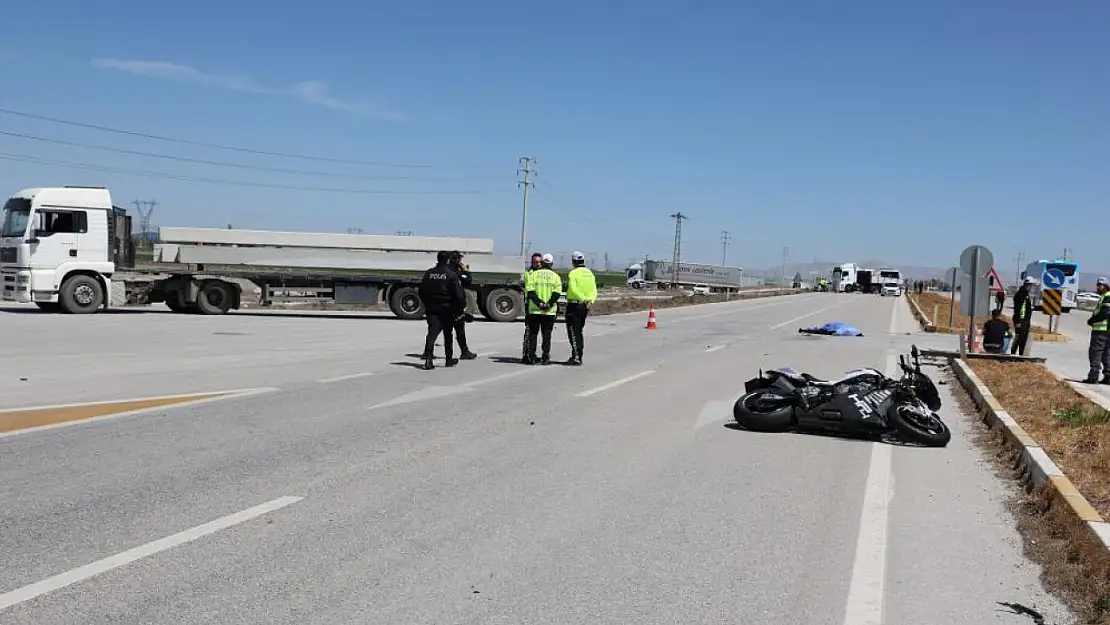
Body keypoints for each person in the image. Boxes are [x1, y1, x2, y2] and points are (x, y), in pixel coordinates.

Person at [417, 251, 466, 370]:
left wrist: (427, 304)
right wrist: (460, 309)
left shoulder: (429, 273)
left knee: (431, 334)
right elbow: (458, 295)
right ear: (448, 260)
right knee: (447, 334)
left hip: (432, 308)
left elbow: (421, 291)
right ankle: (448, 360)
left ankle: (428, 360)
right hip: (447, 308)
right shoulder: (451, 274)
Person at [523, 253, 562, 365]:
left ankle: (531, 357)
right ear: (551, 264)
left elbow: (530, 291)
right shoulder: (556, 276)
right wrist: (548, 304)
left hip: (535, 310)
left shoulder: (533, 275)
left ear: (542, 263)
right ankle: (545, 357)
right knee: (547, 335)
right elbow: (557, 293)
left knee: (533, 334)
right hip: (549, 311)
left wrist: (539, 303)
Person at [563, 251, 597, 365]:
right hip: (585, 306)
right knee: (579, 331)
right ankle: (578, 355)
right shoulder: (589, 273)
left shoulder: (573, 273)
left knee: (573, 331)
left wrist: (582, 299)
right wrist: (590, 300)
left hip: (575, 304)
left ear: (573, 261)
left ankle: (576, 356)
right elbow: (594, 290)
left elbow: (573, 288)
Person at [447, 250, 478, 360]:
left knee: (437, 329)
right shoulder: (455, 271)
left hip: (447, 304)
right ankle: (464, 352)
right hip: (455, 306)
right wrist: (466, 271)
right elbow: (468, 281)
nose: (460, 260)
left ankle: (428, 352)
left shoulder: (447, 269)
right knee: (459, 330)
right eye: (458, 258)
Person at [1083, 276, 1110, 384]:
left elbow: (1104, 314)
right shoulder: (1104, 296)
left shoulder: (1107, 296)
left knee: (1096, 353)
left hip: (1101, 330)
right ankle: (1108, 376)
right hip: (1106, 330)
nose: (1098, 287)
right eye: (1097, 285)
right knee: (1106, 354)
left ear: (1106, 286)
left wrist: (1092, 320)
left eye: (1100, 285)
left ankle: (1093, 376)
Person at [521, 252, 543, 360]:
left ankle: (533, 354)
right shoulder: (528, 273)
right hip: (530, 305)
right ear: (532, 262)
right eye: (535, 262)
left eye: (539, 262)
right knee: (529, 331)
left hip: (542, 306)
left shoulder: (544, 274)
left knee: (539, 332)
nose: (537, 264)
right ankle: (526, 354)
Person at [1010, 276, 1036, 355]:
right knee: (1019, 338)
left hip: (1025, 320)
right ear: (1028, 285)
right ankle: (1013, 354)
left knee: (1023, 339)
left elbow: (1024, 307)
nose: (1032, 287)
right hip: (1021, 320)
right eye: (1031, 285)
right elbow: (1018, 309)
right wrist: (1018, 321)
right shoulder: (1021, 294)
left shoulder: (1025, 294)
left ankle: (1021, 354)